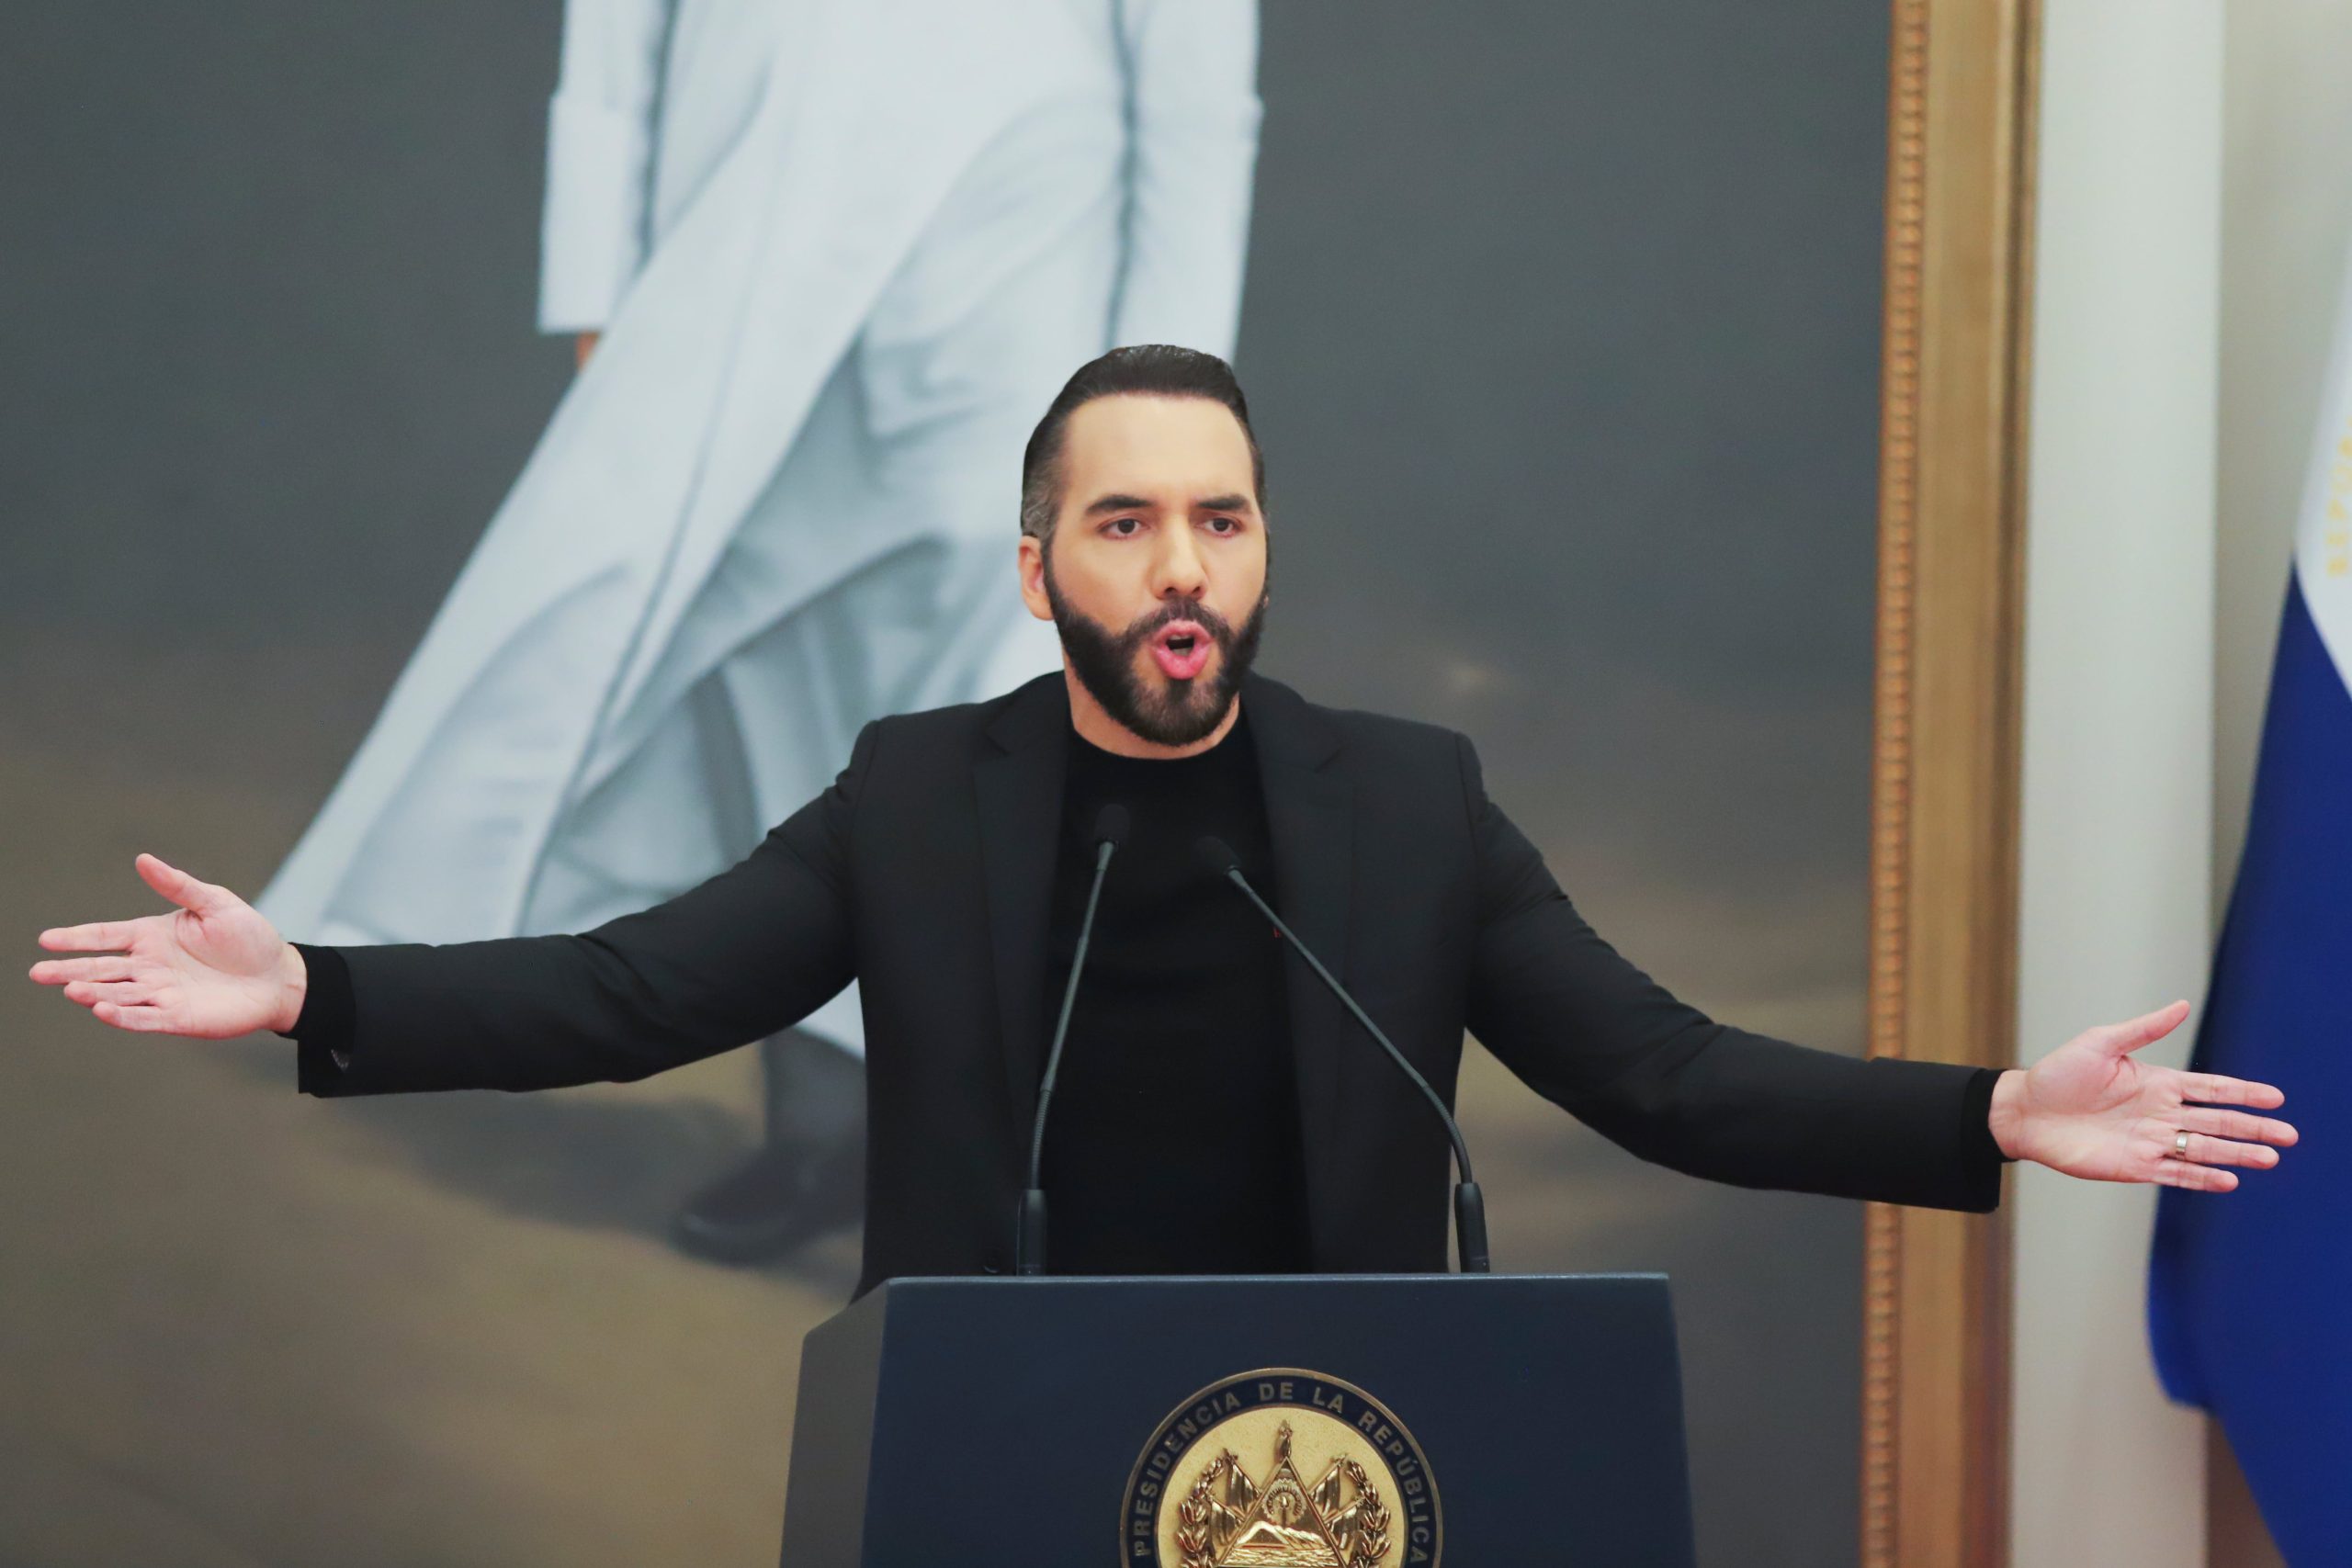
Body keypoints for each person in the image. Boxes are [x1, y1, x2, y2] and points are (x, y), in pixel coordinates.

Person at [32, 347, 2299, 1296]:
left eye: (1217, 516)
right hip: (991, 1453)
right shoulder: (923, 794)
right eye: (1123, 523)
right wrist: (310, 981)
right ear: (1040, 571)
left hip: (1329, 1471)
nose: (1180, 564)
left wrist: (1991, 1108)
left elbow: (1656, 1070)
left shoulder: (1402, 807)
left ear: (1261, 549)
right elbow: (640, 987)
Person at [245, 0, 1263, 1263]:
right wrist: (599, 280)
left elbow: (1196, 96)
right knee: (780, 699)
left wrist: (1168, 392)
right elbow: (619, 30)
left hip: (1019, 255)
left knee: (1012, 712)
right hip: (745, 236)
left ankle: (1003, 1162)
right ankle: (824, 1131)